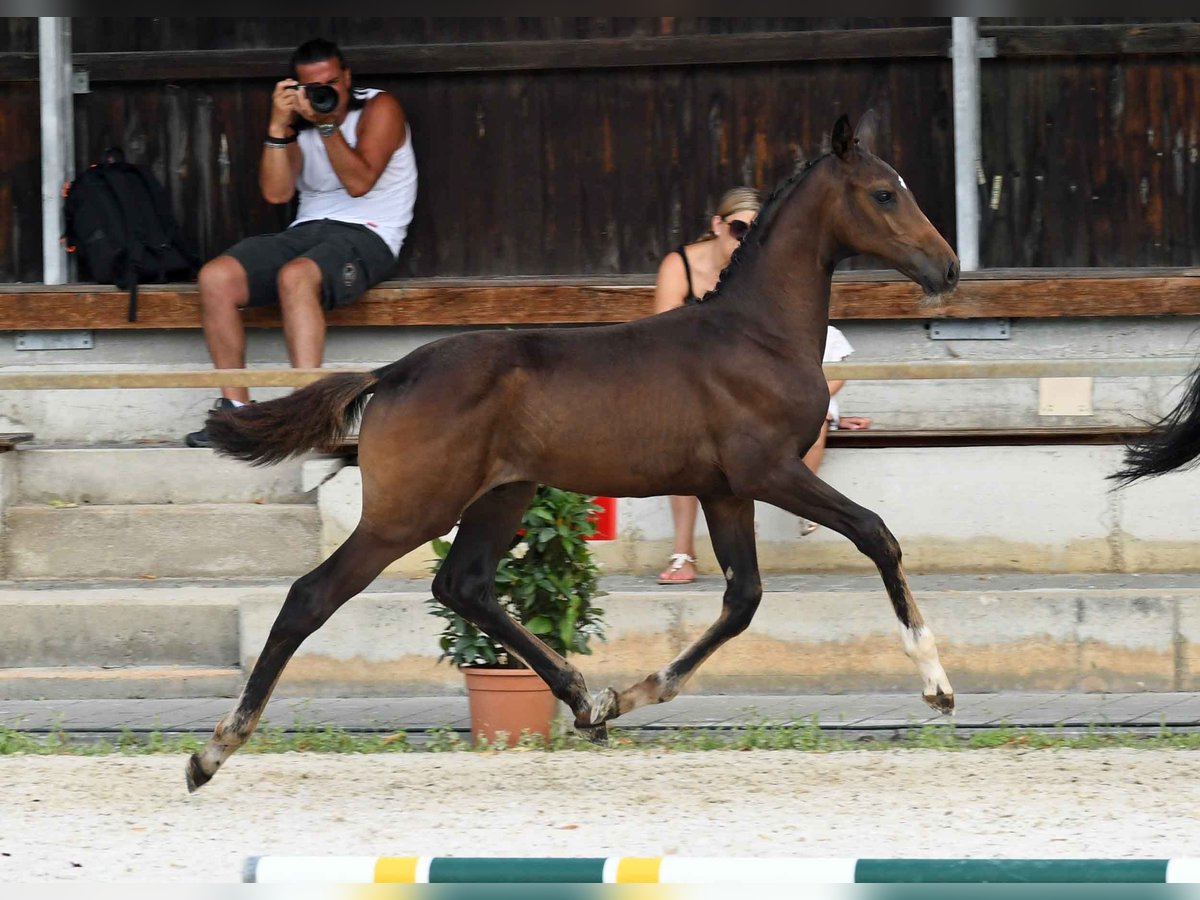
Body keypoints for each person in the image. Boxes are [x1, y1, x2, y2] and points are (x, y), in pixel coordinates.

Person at [185, 38, 417, 447]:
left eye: (331, 83)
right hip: (308, 230)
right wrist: (278, 127)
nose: (325, 93)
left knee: (295, 277)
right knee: (215, 277)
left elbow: (360, 182)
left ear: (348, 78)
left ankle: (307, 415)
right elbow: (276, 193)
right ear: (298, 88)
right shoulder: (299, 120)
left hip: (372, 233)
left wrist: (326, 124)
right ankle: (235, 411)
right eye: (313, 87)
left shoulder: (380, 108)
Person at [652, 187, 870, 584]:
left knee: (758, 434)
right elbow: (661, 337)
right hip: (687, 380)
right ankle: (683, 553)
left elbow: (786, 344)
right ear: (717, 225)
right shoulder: (680, 265)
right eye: (738, 229)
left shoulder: (761, 270)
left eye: (755, 233)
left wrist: (820, 402)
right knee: (682, 440)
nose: (743, 240)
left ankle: (750, 533)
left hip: (743, 390)